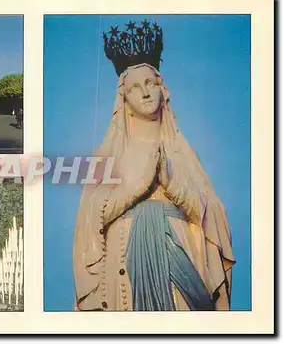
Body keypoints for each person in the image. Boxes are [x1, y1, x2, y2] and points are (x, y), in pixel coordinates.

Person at [73, 21, 234, 312]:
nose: (145, 93)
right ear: (124, 99)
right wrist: (137, 189)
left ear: (162, 88)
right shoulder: (109, 154)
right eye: (135, 88)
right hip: (123, 264)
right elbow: (89, 222)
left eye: (150, 83)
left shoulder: (181, 151)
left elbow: (215, 220)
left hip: (180, 255)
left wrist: (172, 185)